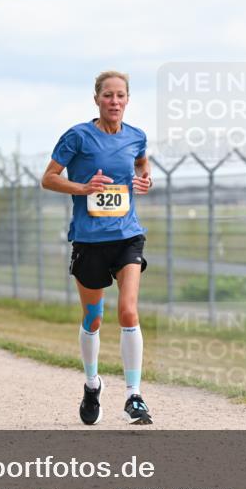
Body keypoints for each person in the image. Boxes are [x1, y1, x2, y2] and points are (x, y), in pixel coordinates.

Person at [41, 71, 154, 425]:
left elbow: (141, 162)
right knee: (94, 318)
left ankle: (134, 396)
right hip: (89, 240)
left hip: (127, 235)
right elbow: (49, 178)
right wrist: (84, 188)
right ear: (97, 99)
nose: (115, 102)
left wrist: (145, 179)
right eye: (108, 95)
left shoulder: (136, 136)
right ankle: (92, 385)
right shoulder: (78, 136)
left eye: (121, 96)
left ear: (128, 100)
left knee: (128, 311)